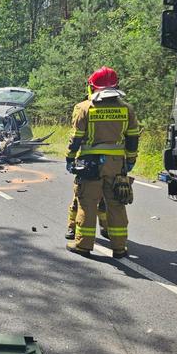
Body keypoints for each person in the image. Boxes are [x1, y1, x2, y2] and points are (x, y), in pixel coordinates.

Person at [65, 66, 139, 258]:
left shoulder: (84, 108)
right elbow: (132, 138)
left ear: (92, 87)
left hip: (90, 165)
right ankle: (119, 247)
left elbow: (76, 138)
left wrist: (70, 158)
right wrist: (130, 160)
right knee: (116, 204)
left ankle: (83, 245)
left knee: (87, 204)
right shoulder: (126, 109)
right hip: (116, 165)